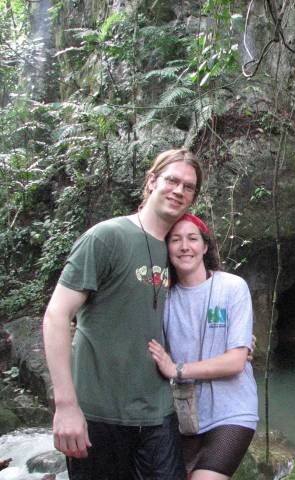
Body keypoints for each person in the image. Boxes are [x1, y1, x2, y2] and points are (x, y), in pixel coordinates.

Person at [42, 148, 202, 479]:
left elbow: (199, 302)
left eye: (188, 187)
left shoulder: (179, 251)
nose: (179, 190)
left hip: (158, 414)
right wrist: (66, 406)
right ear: (152, 181)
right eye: (172, 180)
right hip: (100, 415)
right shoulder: (107, 237)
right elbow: (56, 316)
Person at [148, 213, 258, 480]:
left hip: (233, 411)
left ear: (205, 246)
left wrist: (177, 369)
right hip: (184, 416)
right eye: (176, 240)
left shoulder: (232, 287)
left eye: (192, 238)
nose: (185, 246)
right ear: (167, 248)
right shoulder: (163, 299)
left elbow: (235, 362)